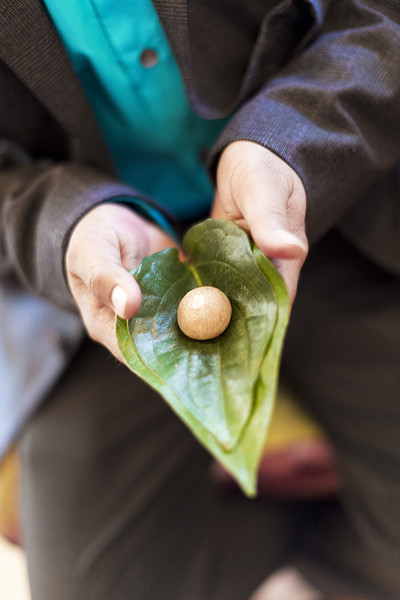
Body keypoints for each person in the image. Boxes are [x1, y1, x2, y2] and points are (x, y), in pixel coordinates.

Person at [1, 1, 400, 599]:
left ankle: (333, 544)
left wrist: (287, 142)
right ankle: (301, 529)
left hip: (329, 212)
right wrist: (65, 223)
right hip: (118, 286)